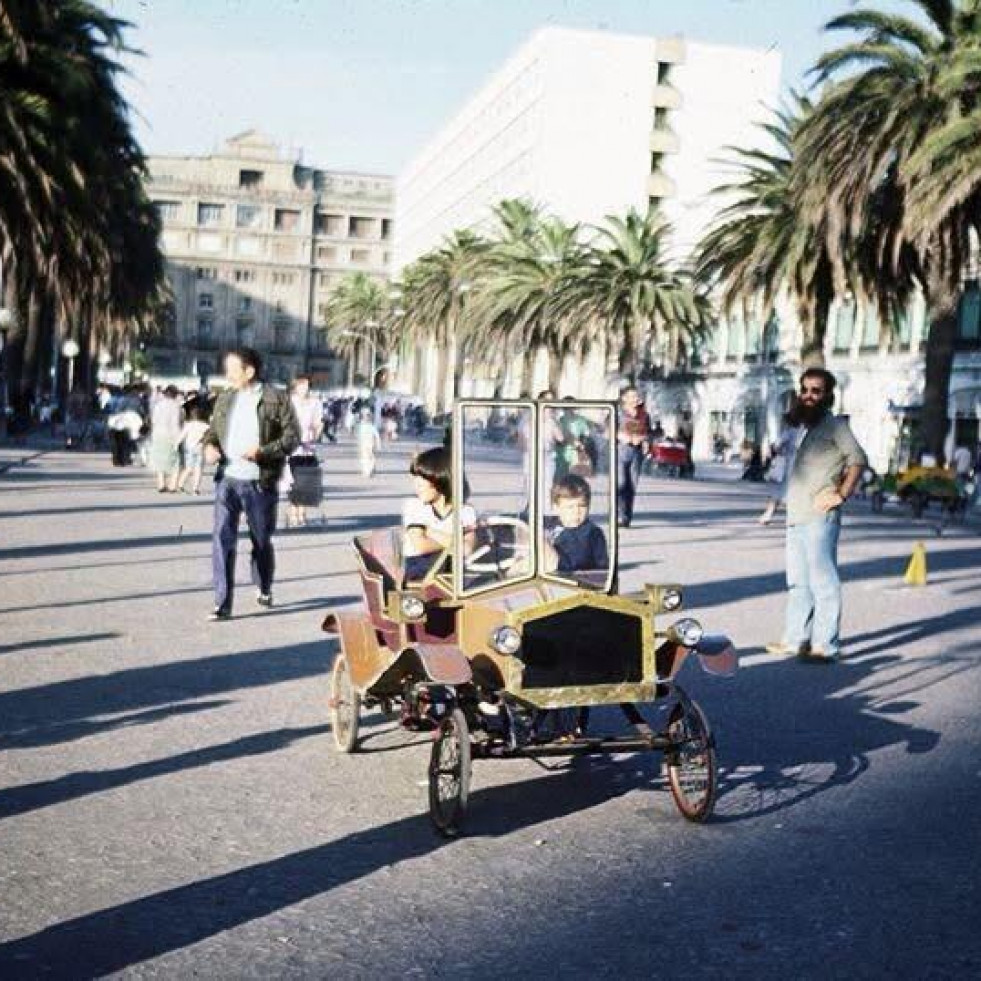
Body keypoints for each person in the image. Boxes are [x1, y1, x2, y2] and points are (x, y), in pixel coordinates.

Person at [766, 368, 867, 662]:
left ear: (827, 395)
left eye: (816, 391)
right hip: (795, 515)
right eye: (806, 390)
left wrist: (841, 494)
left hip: (820, 517)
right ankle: (795, 640)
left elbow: (858, 460)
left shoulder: (836, 426)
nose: (809, 396)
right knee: (798, 582)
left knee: (823, 581)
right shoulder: (801, 428)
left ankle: (826, 644)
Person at [202, 347, 299, 621]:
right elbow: (212, 432)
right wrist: (209, 447)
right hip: (227, 479)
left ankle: (264, 585)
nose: (228, 375)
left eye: (233, 370)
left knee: (261, 540)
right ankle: (222, 603)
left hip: (260, 482)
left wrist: (263, 452)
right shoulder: (225, 397)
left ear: (249, 371)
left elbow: (291, 438)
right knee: (221, 539)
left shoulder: (276, 398)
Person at [402, 446, 476, 582]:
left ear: (441, 478)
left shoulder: (465, 511)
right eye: (415, 478)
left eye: (423, 478)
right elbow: (421, 546)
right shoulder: (414, 506)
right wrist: (455, 540)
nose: (417, 485)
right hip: (418, 579)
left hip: (453, 579)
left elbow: (466, 549)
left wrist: (429, 531)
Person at [542, 475, 609, 575]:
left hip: (579, 582)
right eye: (570, 507)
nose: (576, 512)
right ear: (556, 508)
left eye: (582, 506)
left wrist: (547, 549)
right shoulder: (551, 525)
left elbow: (576, 562)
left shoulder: (591, 533)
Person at [286, 375, 324, 527]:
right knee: (294, 481)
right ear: (296, 386)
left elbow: (318, 422)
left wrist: (316, 433)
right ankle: (294, 511)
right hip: (292, 447)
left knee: (305, 481)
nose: (306, 388)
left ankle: (301, 512)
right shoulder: (290, 402)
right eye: (302, 385)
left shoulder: (315, 402)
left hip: (308, 447)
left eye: (308, 385)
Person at [759, 404, 802, 525]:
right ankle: (792, 517)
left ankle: (768, 515)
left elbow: (777, 445)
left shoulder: (788, 432)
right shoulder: (803, 432)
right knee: (794, 492)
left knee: (778, 491)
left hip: (786, 465)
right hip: (800, 466)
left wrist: (776, 449)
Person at [616, 385, 651, 527]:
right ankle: (617, 514)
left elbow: (648, 432)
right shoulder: (617, 413)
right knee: (621, 484)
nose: (635, 399)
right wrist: (621, 436)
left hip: (636, 453)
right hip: (620, 450)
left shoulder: (644, 415)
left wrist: (644, 440)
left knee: (631, 486)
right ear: (624, 398)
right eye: (631, 396)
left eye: (636, 396)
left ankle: (626, 517)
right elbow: (606, 430)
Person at [148, 385, 183, 492]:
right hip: (171, 435)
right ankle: (173, 485)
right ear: (175, 395)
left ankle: (161, 484)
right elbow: (176, 423)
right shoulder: (177, 406)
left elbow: (153, 420)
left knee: (159, 460)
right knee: (176, 461)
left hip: (158, 434)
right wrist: (179, 439)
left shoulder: (158, 405)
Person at [176, 405, 209, 495]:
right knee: (198, 469)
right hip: (200, 448)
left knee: (188, 468)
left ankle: (180, 485)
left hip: (189, 448)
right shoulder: (206, 426)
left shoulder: (189, 425)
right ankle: (195, 489)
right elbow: (209, 438)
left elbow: (182, 436)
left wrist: (176, 445)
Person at [355, 407, 381, 478]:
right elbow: (359, 434)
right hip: (364, 442)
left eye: (367, 415)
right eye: (365, 415)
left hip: (370, 442)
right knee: (365, 457)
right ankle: (367, 471)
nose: (366, 417)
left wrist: (378, 444)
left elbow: (377, 435)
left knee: (370, 457)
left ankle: (369, 471)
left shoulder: (371, 425)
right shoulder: (362, 425)